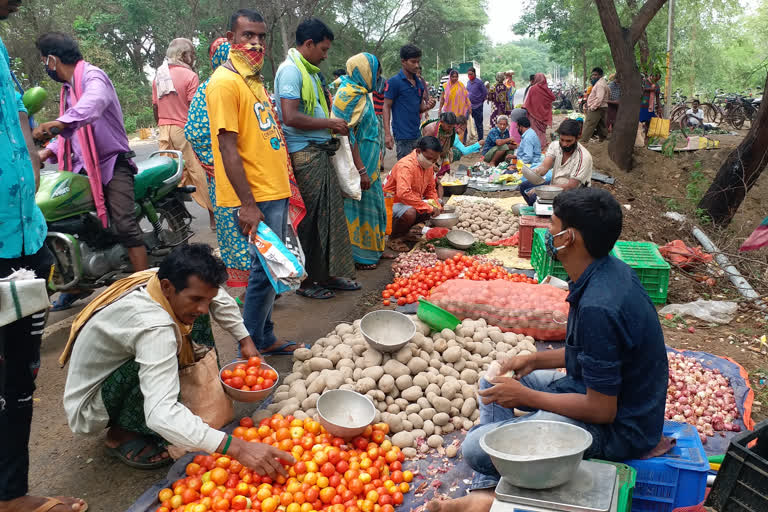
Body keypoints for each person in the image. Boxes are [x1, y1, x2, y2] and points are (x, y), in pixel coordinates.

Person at [427, 188, 668, 512]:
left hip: (619, 427)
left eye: (552, 226)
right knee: (493, 381)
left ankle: (489, 491)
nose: (547, 233)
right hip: (594, 389)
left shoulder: (601, 305)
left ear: (570, 238)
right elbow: (595, 353)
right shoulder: (605, 271)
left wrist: (528, 398)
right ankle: (491, 487)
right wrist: (537, 359)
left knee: (473, 448)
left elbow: (602, 410)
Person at [62, 243, 296, 474]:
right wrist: (238, 447)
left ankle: (185, 406)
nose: (203, 307)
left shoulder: (162, 278)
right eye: (196, 298)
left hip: (126, 359)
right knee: (172, 346)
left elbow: (219, 299)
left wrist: (246, 341)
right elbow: (160, 413)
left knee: (194, 318)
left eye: (207, 299)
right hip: (93, 404)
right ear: (167, 287)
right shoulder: (154, 327)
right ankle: (121, 434)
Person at [0, 3, 86, 511]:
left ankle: (11, 489)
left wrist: (32, 157)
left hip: (24, 239)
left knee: (20, 372)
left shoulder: (2, 49)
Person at [207, 9, 308, 354]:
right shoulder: (224, 83)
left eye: (261, 37)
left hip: (271, 189)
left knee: (269, 268)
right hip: (255, 195)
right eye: (248, 35)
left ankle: (264, 336)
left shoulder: (252, 79)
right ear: (231, 37)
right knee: (264, 270)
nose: (255, 43)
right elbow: (226, 146)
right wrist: (248, 205)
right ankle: (248, 349)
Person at [33, 32, 148, 311]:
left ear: (51, 59)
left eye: (43, 62)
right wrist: (48, 150)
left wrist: (58, 123)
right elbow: (71, 133)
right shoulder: (69, 90)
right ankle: (78, 282)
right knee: (70, 221)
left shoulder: (93, 77)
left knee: (124, 223)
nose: (45, 67)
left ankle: (144, 287)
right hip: (83, 167)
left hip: (111, 162)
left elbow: (92, 106)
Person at [275, 17, 360, 300]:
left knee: (329, 219)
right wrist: (330, 124)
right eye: (323, 49)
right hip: (305, 155)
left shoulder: (310, 72)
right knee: (310, 222)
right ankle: (307, 281)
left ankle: (328, 275)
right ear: (308, 44)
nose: (325, 56)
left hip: (320, 153)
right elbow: (290, 117)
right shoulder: (291, 72)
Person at [185, 38, 256, 294]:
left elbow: (195, 131)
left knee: (241, 230)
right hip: (247, 175)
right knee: (249, 230)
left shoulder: (222, 87)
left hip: (235, 175)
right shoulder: (235, 86)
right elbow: (198, 132)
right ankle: (257, 287)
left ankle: (256, 288)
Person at [331, 53, 387, 270]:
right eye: (376, 72)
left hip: (370, 164)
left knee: (373, 205)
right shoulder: (348, 95)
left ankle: (374, 250)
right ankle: (360, 257)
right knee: (358, 207)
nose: (378, 77)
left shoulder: (362, 94)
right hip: (358, 165)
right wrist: (361, 170)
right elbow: (347, 136)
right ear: (364, 72)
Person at [152, 38, 215, 229]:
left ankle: (175, 222)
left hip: (164, 130)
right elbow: (195, 107)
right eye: (191, 53)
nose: (193, 57)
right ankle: (214, 218)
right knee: (200, 171)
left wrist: (163, 123)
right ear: (183, 55)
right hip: (184, 129)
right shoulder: (189, 76)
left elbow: (155, 106)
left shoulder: (159, 76)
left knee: (169, 176)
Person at [382, 136, 443, 252]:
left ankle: (404, 232)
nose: (432, 163)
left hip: (407, 202)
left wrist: (436, 204)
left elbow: (431, 190)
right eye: (430, 159)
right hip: (390, 204)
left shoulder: (428, 165)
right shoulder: (406, 165)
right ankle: (393, 238)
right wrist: (427, 206)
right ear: (419, 152)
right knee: (411, 212)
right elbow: (403, 194)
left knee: (432, 206)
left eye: (435, 160)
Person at [522, 119, 592, 206]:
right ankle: (541, 210)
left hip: (573, 194)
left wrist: (542, 189)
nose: (564, 144)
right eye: (562, 140)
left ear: (578, 138)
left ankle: (550, 213)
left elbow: (571, 187)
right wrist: (536, 171)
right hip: (555, 185)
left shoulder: (583, 157)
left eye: (568, 141)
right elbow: (544, 167)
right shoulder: (555, 146)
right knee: (524, 187)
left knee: (534, 196)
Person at [383, 44, 435, 160]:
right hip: (402, 136)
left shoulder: (419, 83)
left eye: (418, 62)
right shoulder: (394, 82)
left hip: (417, 133)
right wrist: (387, 134)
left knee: (417, 167)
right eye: (413, 62)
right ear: (403, 61)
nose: (417, 65)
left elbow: (420, 108)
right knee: (405, 169)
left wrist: (428, 107)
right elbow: (386, 106)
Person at [421, 112, 481, 180]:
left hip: (440, 153)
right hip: (427, 153)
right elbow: (424, 149)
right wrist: (431, 163)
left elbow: (446, 148)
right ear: (442, 122)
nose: (451, 129)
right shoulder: (432, 129)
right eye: (449, 126)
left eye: (453, 127)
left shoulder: (451, 131)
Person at [522, 72, 556, 150]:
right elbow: (553, 98)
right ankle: (542, 144)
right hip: (544, 116)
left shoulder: (532, 88)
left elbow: (526, 103)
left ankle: (535, 146)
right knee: (542, 132)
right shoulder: (547, 90)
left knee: (534, 131)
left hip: (533, 114)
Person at [581, 67, 609, 143]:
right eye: (592, 75)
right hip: (602, 107)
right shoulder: (602, 83)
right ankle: (603, 140)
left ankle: (583, 141)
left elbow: (599, 98)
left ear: (600, 75)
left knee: (589, 125)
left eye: (595, 75)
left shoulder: (600, 84)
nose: (593, 76)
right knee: (601, 125)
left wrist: (592, 107)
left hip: (597, 108)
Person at [466, 67, 487, 140]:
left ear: (474, 74)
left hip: (478, 106)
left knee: (479, 124)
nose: (469, 76)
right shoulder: (468, 82)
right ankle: (464, 140)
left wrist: (481, 101)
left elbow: (485, 93)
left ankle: (480, 139)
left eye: (471, 74)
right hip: (469, 107)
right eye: (468, 74)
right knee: (467, 123)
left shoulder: (479, 82)